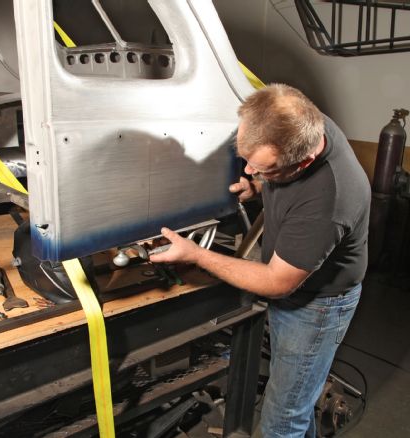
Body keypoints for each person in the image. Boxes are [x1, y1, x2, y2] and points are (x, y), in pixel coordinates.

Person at [150, 83, 370, 437]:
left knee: (283, 419)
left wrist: (197, 255)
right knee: (298, 401)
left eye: (263, 170)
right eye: (247, 159)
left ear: (303, 161)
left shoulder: (330, 200)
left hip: (318, 306)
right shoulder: (294, 119)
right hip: (297, 289)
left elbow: (276, 282)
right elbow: (275, 170)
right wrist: (262, 188)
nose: (249, 171)